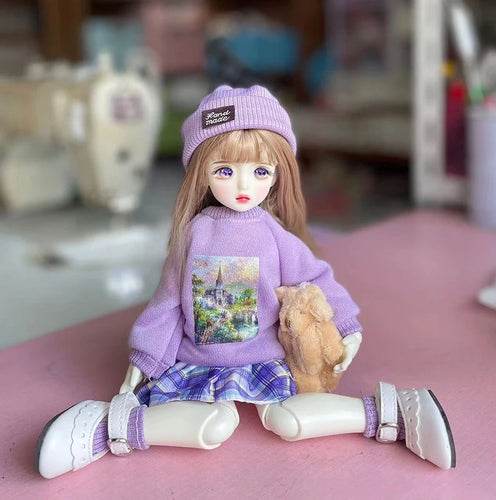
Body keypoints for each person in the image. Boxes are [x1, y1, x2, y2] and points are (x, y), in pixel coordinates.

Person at [36, 85, 455, 479]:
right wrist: (144, 359)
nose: (242, 185)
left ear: (277, 174)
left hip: (264, 358)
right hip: (200, 359)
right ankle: (107, 426)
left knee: (288, 420)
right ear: (201, 174)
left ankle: (391, 412)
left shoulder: (273, 234)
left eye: (260, 171)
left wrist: (346, 325)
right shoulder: (194, 235)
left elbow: (314, 276)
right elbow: (168, 303)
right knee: (211, 426)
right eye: (224, 170)